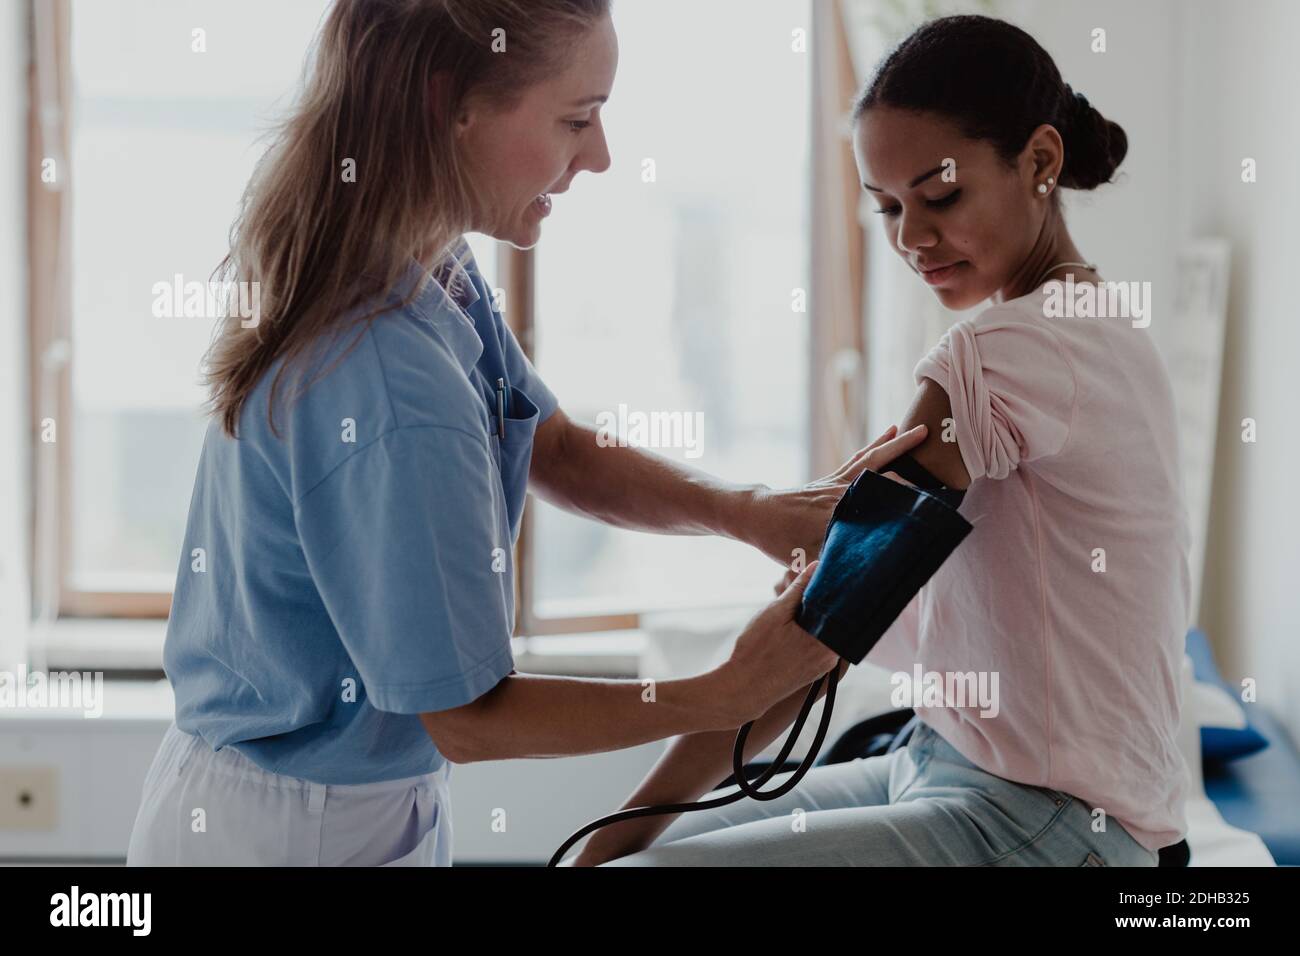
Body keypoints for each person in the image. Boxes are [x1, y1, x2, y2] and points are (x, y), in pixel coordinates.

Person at [125, 0, 925, 866]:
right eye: (576, 119)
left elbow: (554, 444)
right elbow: (468, 718)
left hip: (347, 803)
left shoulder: (425, 261)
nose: (602, 156)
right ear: (450, 105)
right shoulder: (391, 372)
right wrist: (720, 693)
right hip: (286, 832)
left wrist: (751, 512)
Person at [580, 14, 1190, 867]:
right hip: (940, 761)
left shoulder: (1005, 352)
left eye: (940, 198)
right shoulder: (1097, 329)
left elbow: (822, 619)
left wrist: (607, 847)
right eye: (889, 207)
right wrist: (622, 840)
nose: (910, 237)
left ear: (1041, 163)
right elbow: (835, 602)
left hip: (1047, 822)